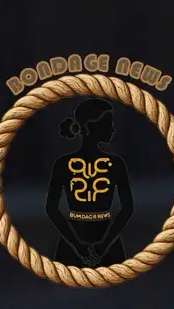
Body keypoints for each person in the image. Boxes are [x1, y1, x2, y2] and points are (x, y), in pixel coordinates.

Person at [44, 98, 135, 268]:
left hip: (76, 238)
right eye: (107, 124)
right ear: (90, 126)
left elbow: (52, 209)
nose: (112, 129)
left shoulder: (63, 164)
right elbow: (127, 209)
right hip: (102, 239)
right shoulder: (115, 164)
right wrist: (102, 246)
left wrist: (79, 245)